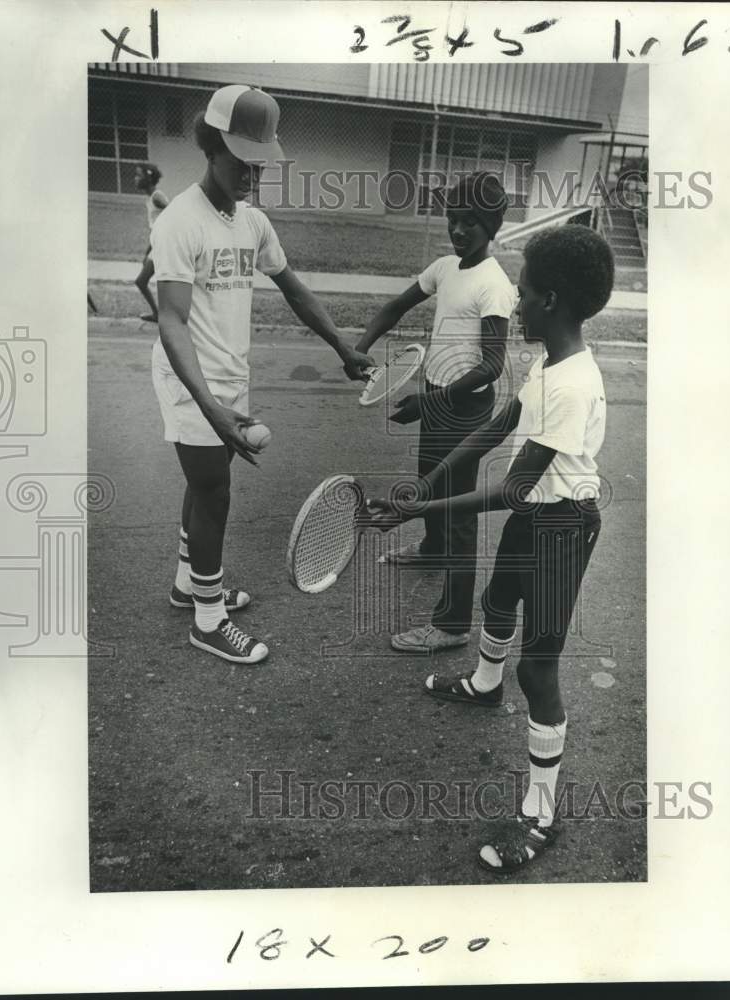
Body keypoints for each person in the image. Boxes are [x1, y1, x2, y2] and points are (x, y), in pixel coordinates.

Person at [369, 225, 614, 874]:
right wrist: (419, 488)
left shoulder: (571, 384)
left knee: (538, 669)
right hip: (535, 515)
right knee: (495, 600)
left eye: (526, 293)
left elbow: (510, 489)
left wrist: (420, 510)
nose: (518, 302)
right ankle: (482, 684)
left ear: (551, 301)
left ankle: (540, 812)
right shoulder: (546, 363)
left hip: (561, 526)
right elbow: (495, 428)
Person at [150, 84, 372, 664]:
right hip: (189, 380)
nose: (252, 172)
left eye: (260, 161)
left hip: (229, 376)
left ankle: (187, 585)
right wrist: (209, 407)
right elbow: (171, 321)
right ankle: (208, 619)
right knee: (214, 493)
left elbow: (294, 291)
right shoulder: (179, 222)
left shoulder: (252, 223)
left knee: (204, 486)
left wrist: (343, 348)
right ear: (211, 145)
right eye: (241, 159)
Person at [357, 172, 516, 654]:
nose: (459, 229)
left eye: (471, 222)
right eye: (453, 218)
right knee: (429, 475)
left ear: (491, 227)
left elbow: (491, 365)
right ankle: (430, 549)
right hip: (438, 397)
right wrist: (360, 349)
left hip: (464, 410)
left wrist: (429, 402)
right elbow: (395, 307)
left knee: (460, 515)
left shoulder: (494, 284)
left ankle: (452, 625)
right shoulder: (446, 267)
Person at [135, 162, 169, 323]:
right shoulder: (150, 198)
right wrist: (147, 253)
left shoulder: (157, 196)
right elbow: (154, 230)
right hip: (157, 246)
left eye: (139, 175)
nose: (135, 179)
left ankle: (161, 315)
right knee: (143, 282)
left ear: (148, 178)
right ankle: (158, 315)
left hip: (165, 246)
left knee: (143, 281)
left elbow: (175, 214)